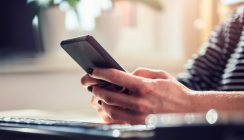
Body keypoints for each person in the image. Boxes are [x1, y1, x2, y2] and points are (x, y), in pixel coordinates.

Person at [81, 4, 244, 124]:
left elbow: (189, 99)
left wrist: (191, 104)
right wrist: (135, 100)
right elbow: (194, 83)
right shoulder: (237, 22)